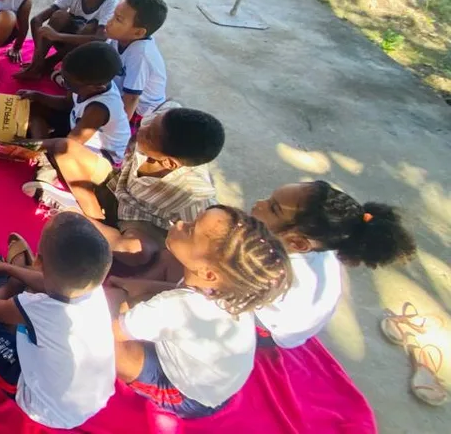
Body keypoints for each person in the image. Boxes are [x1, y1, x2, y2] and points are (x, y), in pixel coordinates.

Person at [108, 206, 292, 418]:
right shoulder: (228, 290)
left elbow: (114, 331)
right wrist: (131, 286)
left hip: (187, 396)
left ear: (208, 272)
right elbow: (173, 293)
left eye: (190, 229)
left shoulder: (176, 308)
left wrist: (114, 298)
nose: (179, 224)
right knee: (133, 291)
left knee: (105, 327)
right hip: (214, 384)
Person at [0, 213, 116, 429]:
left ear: (39, 261)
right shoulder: (92, 290)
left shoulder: (41, 309)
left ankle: (11, 286)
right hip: (91, 399)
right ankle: (13, 281)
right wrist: (6, 268)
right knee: (26, 297)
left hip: (41, 403)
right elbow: (47, 282)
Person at [26, 107, 225, 272]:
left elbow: (205, 249)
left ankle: (75, 214)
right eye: (151, 122)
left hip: (140, 223)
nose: (142, 128)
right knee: (65, 147)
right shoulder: (156, 128)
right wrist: (24, 147)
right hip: (116, 186)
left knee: (137, 252)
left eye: (149, 134)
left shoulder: (195, 196)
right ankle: (90, 218)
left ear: (169, 163)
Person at [252, 181, 416, 349]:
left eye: (273, 209)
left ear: (298, 244)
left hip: (277, 331)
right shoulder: (317, 246)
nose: (259, 203)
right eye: (269, 199)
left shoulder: (281, 274)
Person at [17, 42, 130, 212]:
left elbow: (69, 145)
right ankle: (45, 157)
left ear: (96, 87)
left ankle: (50, 168)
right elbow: (65, 103)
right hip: (75, 128)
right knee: (33, 105)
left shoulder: (98, 109)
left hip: (100, 157)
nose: (66, 84)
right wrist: (37, 95)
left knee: (61, 152)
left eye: (70, 84)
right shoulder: (84, 84)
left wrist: (29, 143)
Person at [15, 0, 127, 81]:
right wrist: (38, 55)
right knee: (60, 15)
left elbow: (100, 39)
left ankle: (50, 63)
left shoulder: (111, 5)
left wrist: (57, 36)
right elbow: (37, 20)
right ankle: (38, 65)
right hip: (65, 43)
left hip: (86, 53)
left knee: (90, 28)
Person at [104, 0, 168, 126]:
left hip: (141, 110)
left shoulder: (140, 55)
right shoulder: (119, 38)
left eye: (118, 19)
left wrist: (117, 128)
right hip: (119, 92)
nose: (110, 21)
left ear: (138, 32)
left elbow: (132, 98)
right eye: (114, 15)